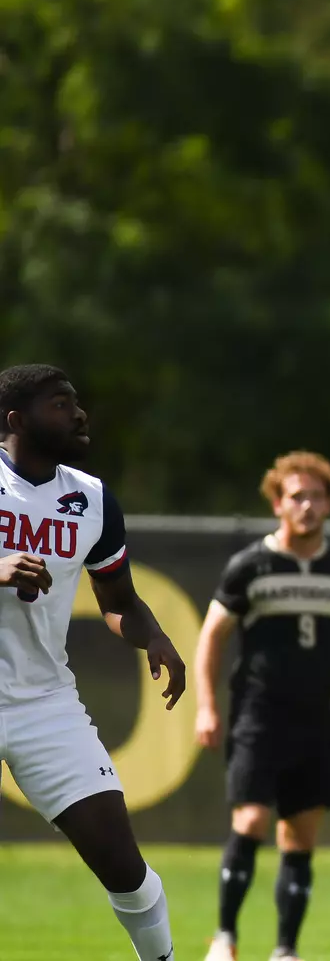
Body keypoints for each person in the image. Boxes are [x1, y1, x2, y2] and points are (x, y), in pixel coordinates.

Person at [0, 363, 187, 961]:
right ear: (14, 420)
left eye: (75, 402)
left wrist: (152, 634)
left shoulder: (92, 498)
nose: (78, 414)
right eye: (59, 404)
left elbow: (117, 601)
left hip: (42, 701)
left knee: (123, 865)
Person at [195, 451, 330, 961]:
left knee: (301, 834)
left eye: (317, 496)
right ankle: (225, 938)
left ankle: (285, 949)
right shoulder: (250, 566)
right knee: (252, 821)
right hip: (258, 715)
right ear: (278, 504)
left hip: (314, 719)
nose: (307, 505)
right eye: (296, 496)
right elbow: (212, 637)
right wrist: (207, 705)